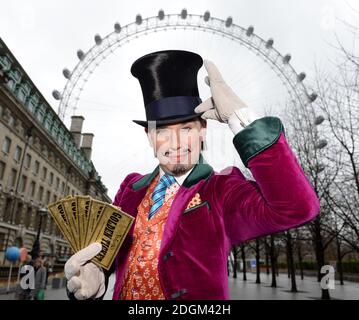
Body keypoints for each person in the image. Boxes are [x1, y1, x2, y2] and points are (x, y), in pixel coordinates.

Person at [65, 50, 320, 300]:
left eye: (186, 129)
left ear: (202, 131)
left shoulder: (221, 190)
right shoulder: (130, 188)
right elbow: (105, 252)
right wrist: (96, 277)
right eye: (163, 132)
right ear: (150, 137)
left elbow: (297, 208)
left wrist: (239, 117)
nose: (175, 143)